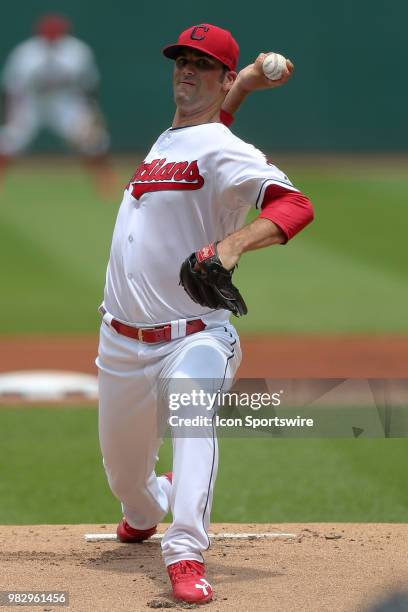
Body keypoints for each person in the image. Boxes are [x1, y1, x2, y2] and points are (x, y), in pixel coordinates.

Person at [96, 23, 314, 604]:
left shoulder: (225, 149)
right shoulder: (172, 139)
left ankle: (186, 551)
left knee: (194, 415)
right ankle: (145, 508)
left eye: (201, 64)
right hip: (119, 344)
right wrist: (239, 85)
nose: (185, 71)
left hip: (194, 336)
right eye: (180, 61)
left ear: (216, 77)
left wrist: (232, 246)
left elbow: (296, 205)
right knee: (126, 483)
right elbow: (211, 129)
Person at [0, 14, 116, 196]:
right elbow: (11, 89)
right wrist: (9, 117)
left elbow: (89, 87)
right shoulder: (26, 53)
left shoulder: (77, 51)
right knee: (8, 140)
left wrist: (93, 113)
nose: (52, 38)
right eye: (48, 34)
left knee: (93, 139)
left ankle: (104, 183)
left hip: (65, 102)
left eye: (55, 34)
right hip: (31, 103)